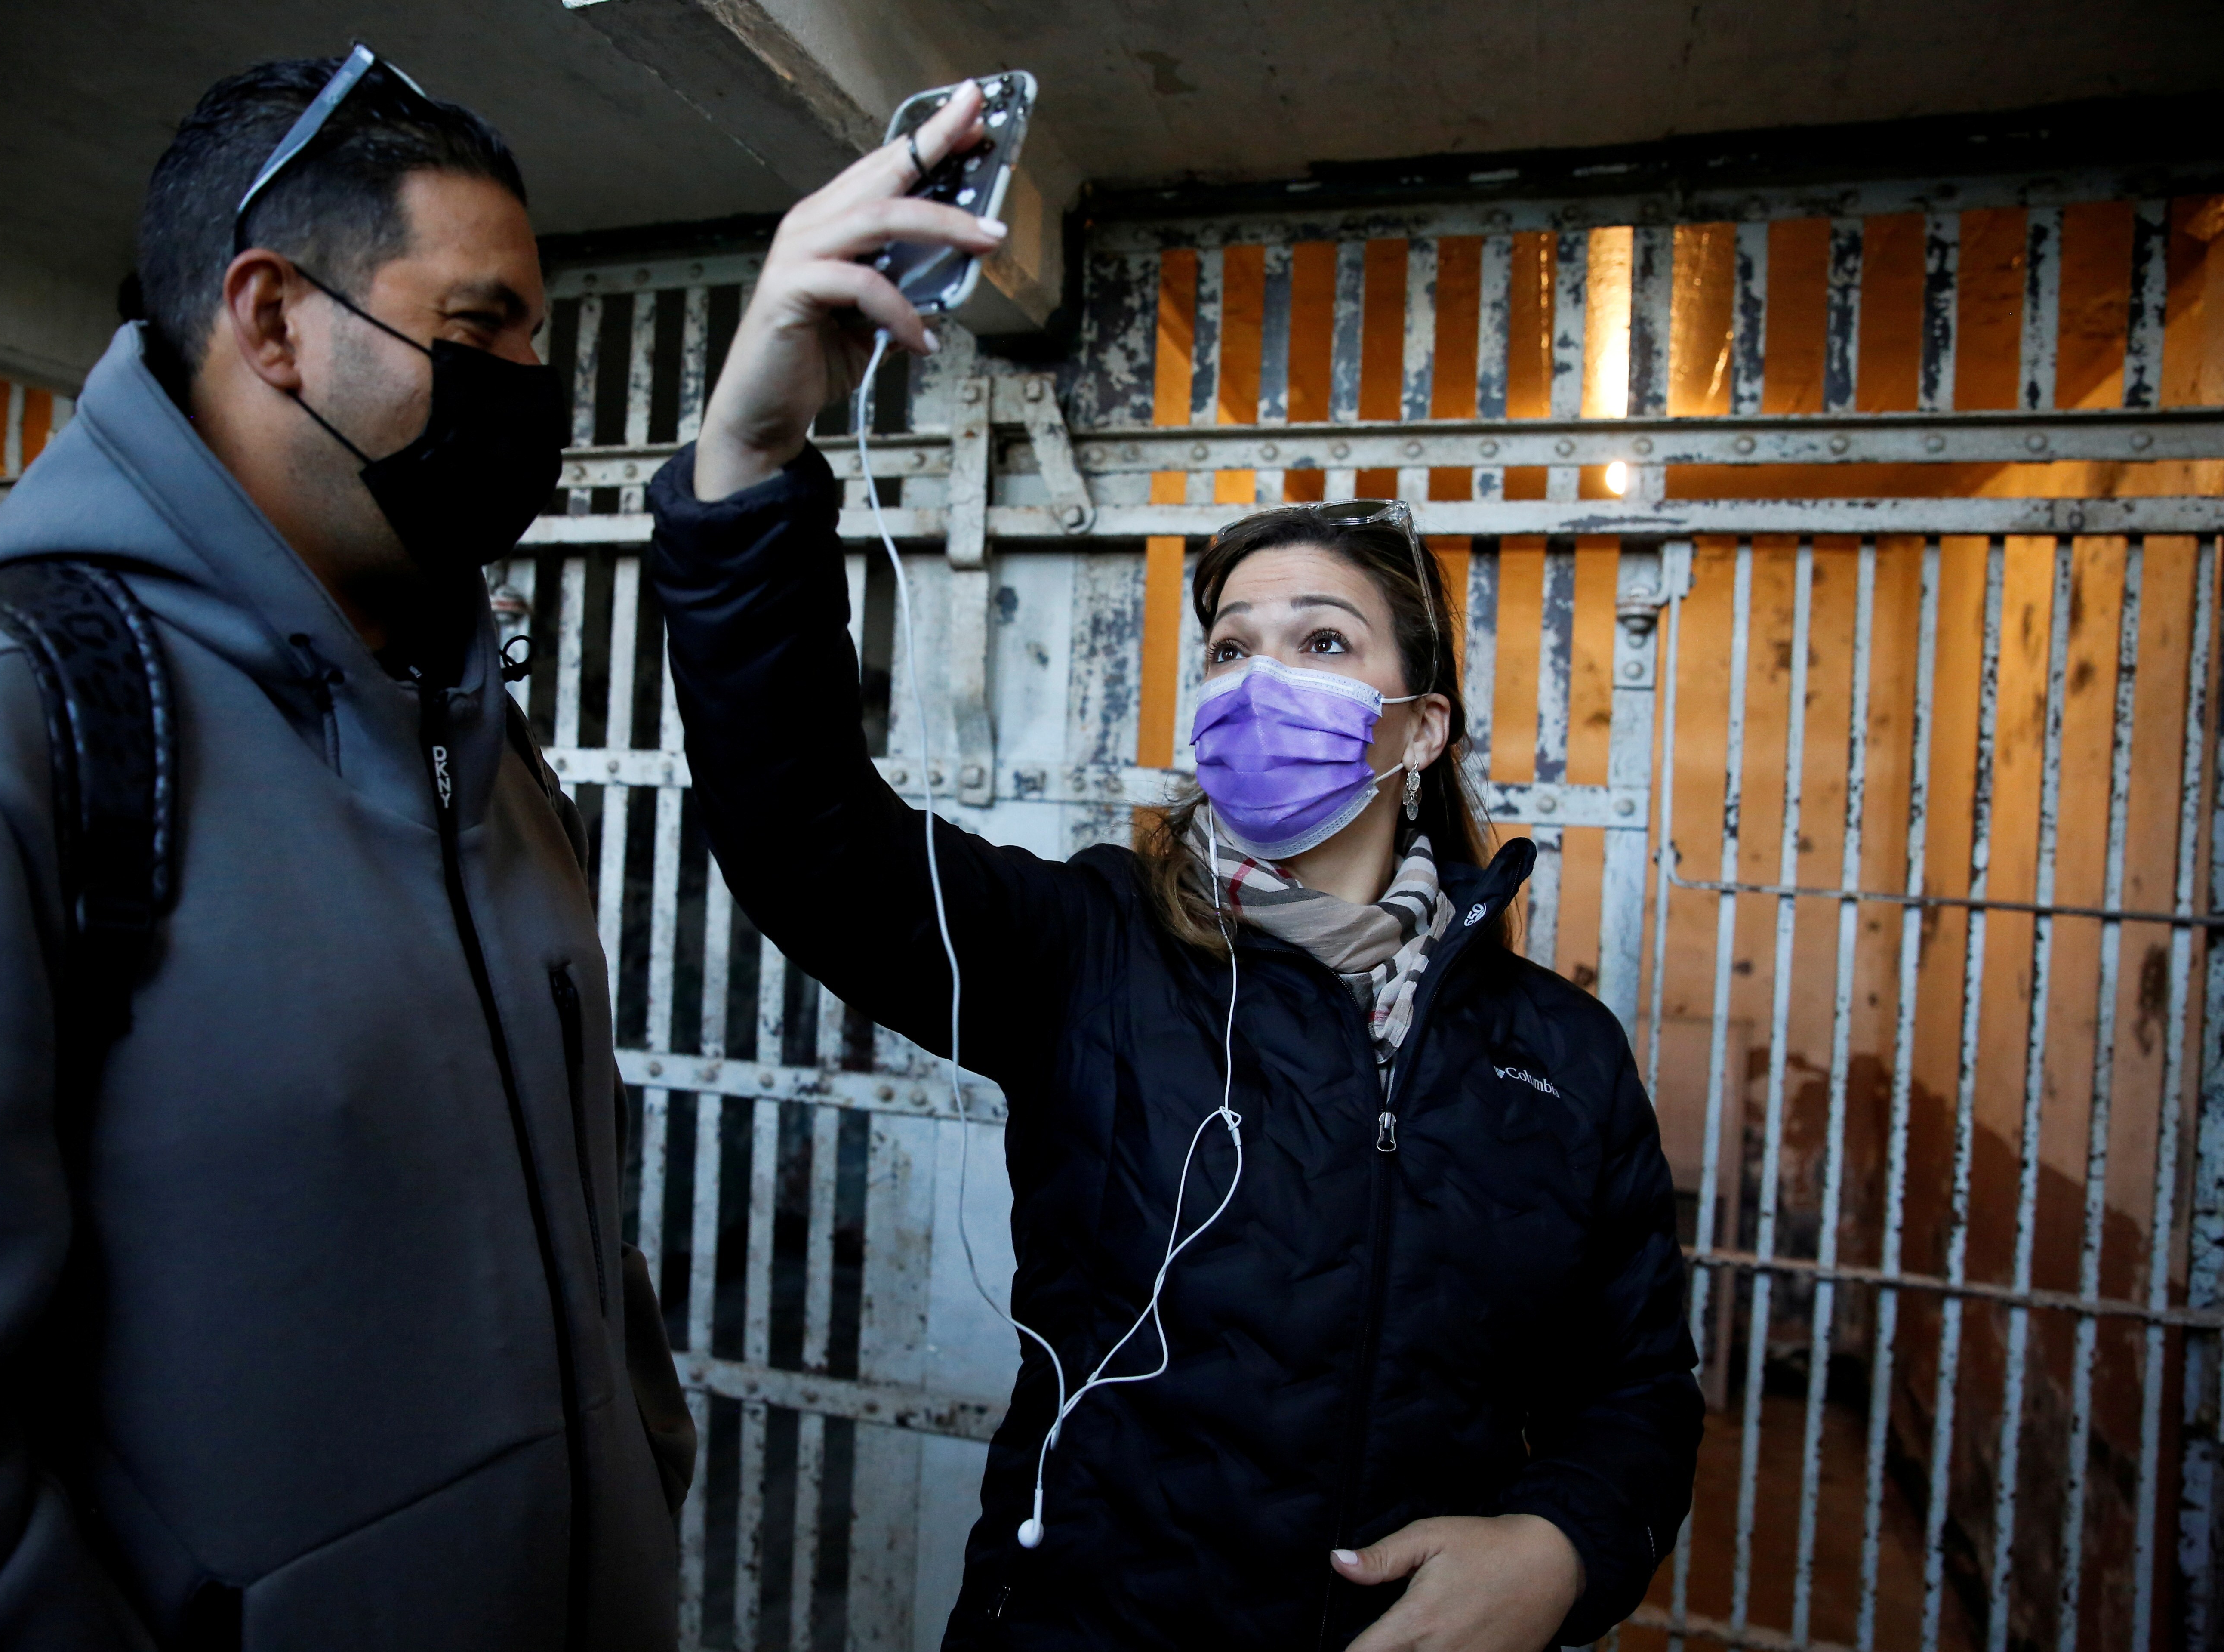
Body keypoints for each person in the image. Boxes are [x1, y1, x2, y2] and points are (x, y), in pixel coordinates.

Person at [646, 83, 1702, 1651]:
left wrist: (1562, 1548)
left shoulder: (1559, 1059)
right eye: (1227, 649)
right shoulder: (1087, 952)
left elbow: (1636, 1396)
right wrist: (749, 447)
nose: (1254, 679)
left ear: (1416, 730)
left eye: (1320, 642)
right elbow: (805, 834)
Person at [0, 51, 691, 1650]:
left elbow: (584, 1240)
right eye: (481, 330)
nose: (534, 383)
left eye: (534, 334)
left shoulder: (486, 754)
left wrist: (644, 1470)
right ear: (271, 322)